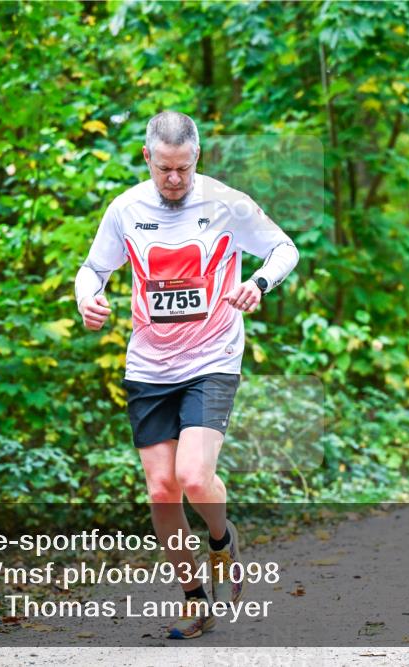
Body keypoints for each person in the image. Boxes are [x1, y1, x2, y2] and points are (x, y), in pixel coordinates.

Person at [75, 111, 299, 639]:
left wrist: (259, 284)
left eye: (184, 168)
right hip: (150, 364)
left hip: (212, 358)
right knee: (160, 491)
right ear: (147, 158)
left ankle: (222, 542)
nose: (174, 180)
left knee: (194, 478)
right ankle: (195, 599)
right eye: (164, 169)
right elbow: (93, 269)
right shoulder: (125, 209)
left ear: (197, 158)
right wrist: (89, 297)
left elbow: (284, 248)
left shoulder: (226, 202)